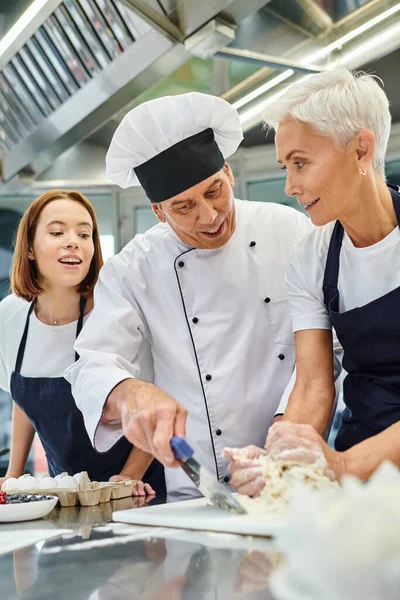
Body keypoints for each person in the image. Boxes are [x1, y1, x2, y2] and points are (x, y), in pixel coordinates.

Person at [65, 92, 342, 497]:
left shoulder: (291, 232)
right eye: (183, 207)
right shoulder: (133, 270)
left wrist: (281, 448)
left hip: (293, 474)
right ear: (158, 212)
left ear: (229, 173)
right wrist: (128, 394)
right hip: (197, 492)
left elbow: (320, 359)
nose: (209, 216)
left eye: (214, 191)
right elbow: (93, 365)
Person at [226, 67, 400, 496]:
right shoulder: (312, 257)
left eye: (301, 163)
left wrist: (340, 464)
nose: (289, 186)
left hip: (356, 466)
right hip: (363, 481)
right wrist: (281, 463)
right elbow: (313, 384)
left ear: (361, 150)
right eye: (286, 166)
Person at [0, 189, 163, 495]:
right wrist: (13, 474)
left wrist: (128, 477)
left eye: (84, 234)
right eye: (57, 232)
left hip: (137, 487)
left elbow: (152, 406)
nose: (73, 240)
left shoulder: (115, 313)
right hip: (61, 492)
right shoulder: (9, 316)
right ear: (30, 248)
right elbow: (23, 401)